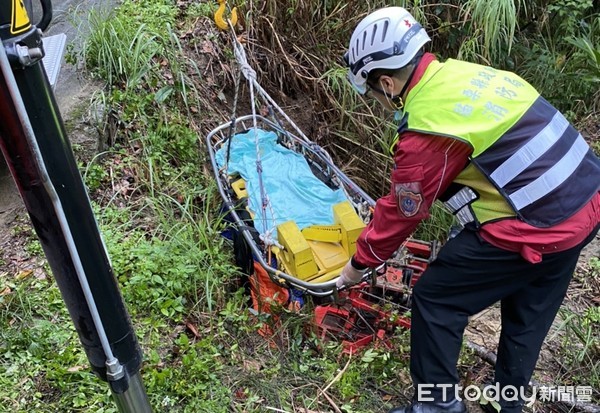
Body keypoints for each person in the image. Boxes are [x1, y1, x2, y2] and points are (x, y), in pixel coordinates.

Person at [336, 6, 600, 413]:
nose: (377, 101)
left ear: (387, 83)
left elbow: (405, 210)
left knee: (436, 301)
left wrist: (358, 263)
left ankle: (437, 406)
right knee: (526, 316)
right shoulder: (467, 75)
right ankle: (506, 403)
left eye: (373, 93)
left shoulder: (429, 124)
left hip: (538, 226)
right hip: (584, 205)